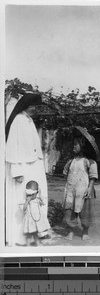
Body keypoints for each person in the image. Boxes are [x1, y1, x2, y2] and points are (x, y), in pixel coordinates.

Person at [5, 92, 50, 246]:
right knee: (22, 201)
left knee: (35, 200)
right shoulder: (18, 120)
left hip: (33, 167)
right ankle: (20, 238)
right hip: (23, 169)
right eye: (34, 106)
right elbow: (12, 147)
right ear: (27, 105)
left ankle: (35, 233)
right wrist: (16, 171)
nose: (36, 109)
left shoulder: (29, 120)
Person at [63, 126, 99, 241]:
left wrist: (89, 188)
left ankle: (85, 231)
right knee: (69, 211)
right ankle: (70, 230)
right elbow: (66, 174)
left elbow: (93, 176)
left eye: (76, 144)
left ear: (83, 146)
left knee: (85, 212)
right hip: (71, 190)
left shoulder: (90, 162)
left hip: (84, 191)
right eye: (73, 144)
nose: (73, 146)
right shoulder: (70, 161)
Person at [21, 181, 51, 246]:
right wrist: (27, 201)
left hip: (36, 221)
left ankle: (37, 245)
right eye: (29, 194)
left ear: (36, 193)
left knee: (35, 234)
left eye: (33, 194)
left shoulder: (37, 200)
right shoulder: (27, 200)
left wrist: (40, 195)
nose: (31, 196)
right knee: (29, 235)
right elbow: (24, 209)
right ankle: (28, 246)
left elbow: (43, 203)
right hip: (30, 222)